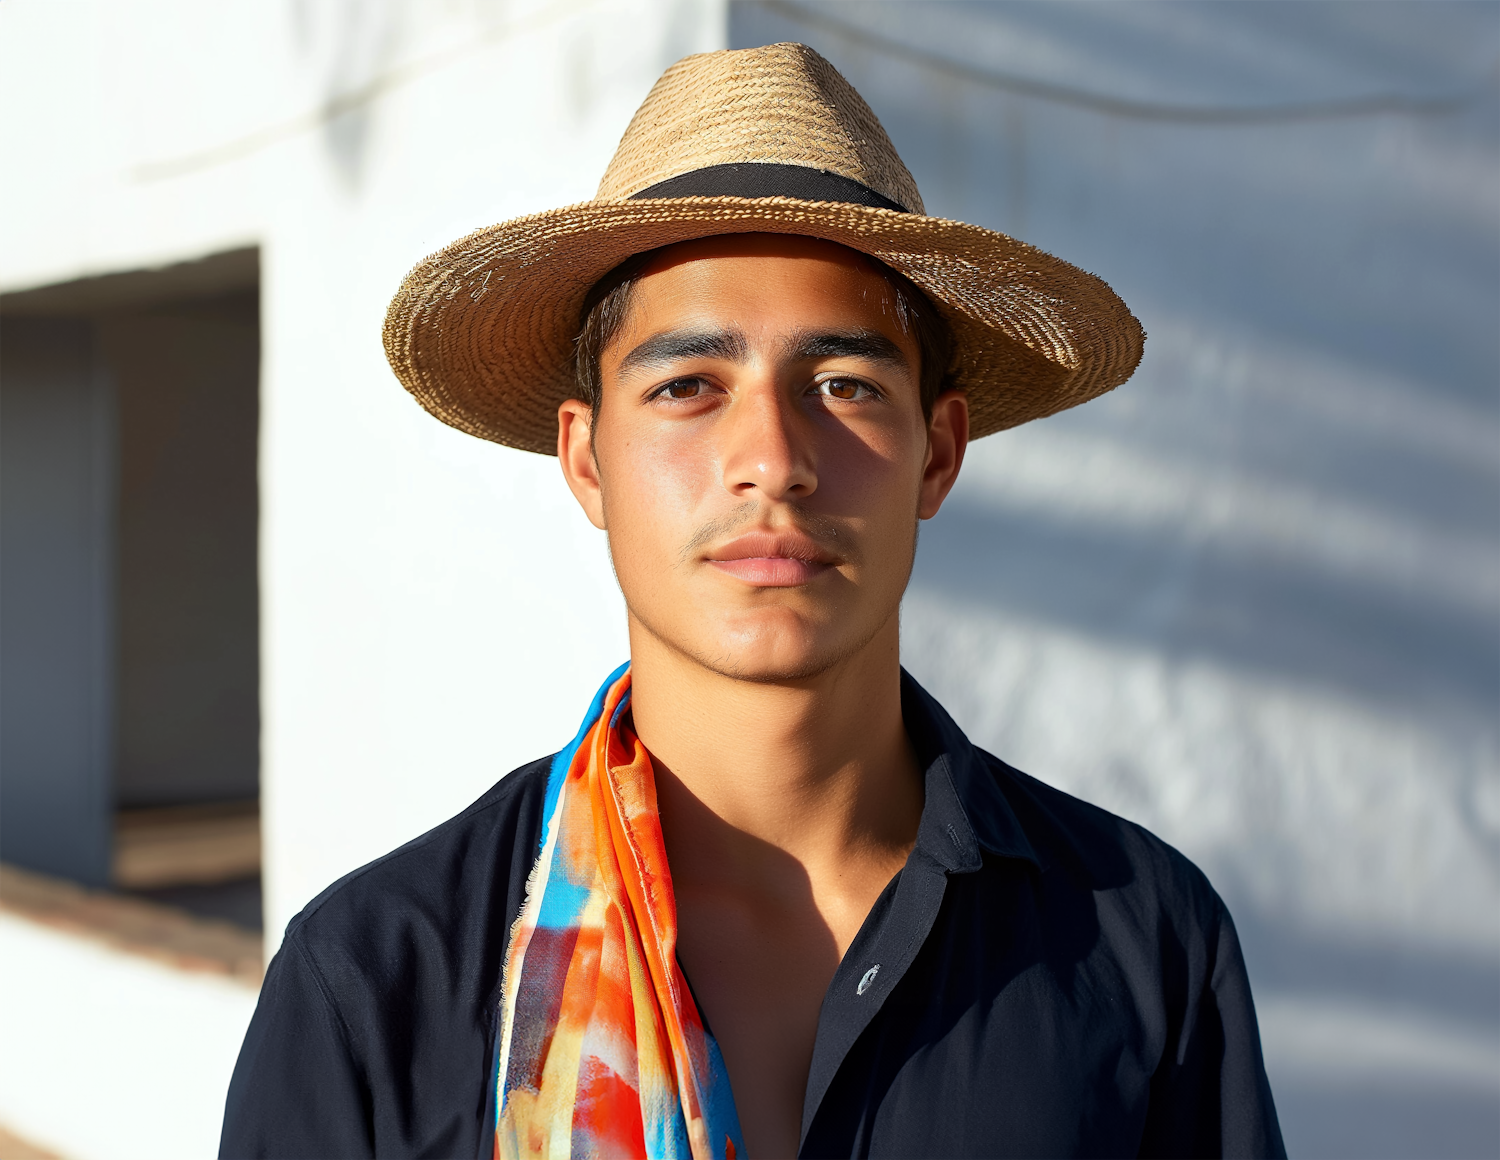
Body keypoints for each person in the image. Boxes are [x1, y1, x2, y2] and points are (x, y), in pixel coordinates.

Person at [221, 42, 1285, 1160]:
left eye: (845, 386)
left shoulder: (1143, 943)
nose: (772, 459)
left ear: (937, 451)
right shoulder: (382, 979)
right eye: (688, 386)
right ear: (586, 460)